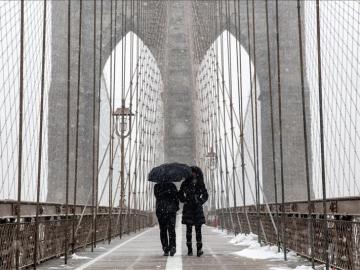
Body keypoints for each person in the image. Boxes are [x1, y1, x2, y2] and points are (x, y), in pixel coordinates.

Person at [178, 166, 208, 257]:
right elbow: (180, 193)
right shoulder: (186, 182)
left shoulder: (200, 183)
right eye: (192, 172)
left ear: (197, 173)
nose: (193, 174)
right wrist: (184, 200)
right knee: (189, 230)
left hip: (197, 208)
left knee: (198, 230)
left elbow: (205, 194)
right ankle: (189, 249)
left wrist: (200, 201)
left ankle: (199, 249)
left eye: (194, 172)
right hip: (189, 208)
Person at [154, 182, 179, 256]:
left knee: (163, 230)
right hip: (170, 210)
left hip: (161, 210)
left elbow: (157, 196)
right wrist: (176, 207)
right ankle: (172, 247)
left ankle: (165, 248)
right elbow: (176, 197)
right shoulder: (172, 186)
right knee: (171, 230)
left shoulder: (157, 186)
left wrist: (164, 192)